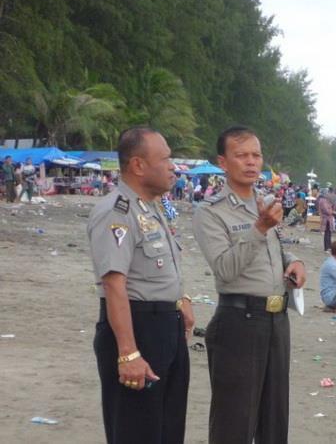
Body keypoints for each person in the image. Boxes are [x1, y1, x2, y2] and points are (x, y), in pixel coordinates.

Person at [193, 126, 306, 444]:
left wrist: (294, 261)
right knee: (234, 423)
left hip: (276, 321)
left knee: (274, 421)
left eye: (256, 155)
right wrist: (259, 228)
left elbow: (276, 250)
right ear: (223, 162)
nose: (251, 162)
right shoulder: (211, 212)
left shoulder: (265, 203)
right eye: (241, 155)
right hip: (239, 322)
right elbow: (225, 269)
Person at [87, 127, 194, 443]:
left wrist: (182, 299)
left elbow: (159, 268)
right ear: (138, 165)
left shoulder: (152, 207)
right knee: (136, 431)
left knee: (168, 430)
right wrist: (128, 353)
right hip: (137, 329)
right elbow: (114, 284)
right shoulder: (116, 211)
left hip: (167, 328)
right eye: (165, 159)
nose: (173, 167)